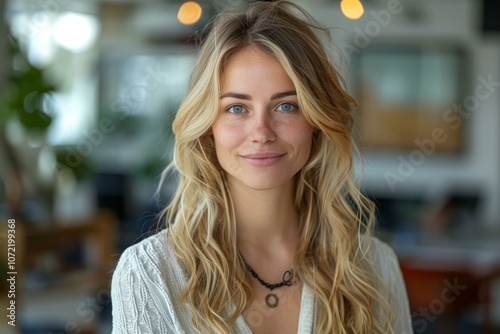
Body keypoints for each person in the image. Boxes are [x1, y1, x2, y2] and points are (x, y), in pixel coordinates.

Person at [111, 1, 413, 333]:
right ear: (208, 125)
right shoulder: (150, 273)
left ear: (316, 120)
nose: (261, 133)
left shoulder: (375, 267)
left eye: (286, 105)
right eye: (237, 108)